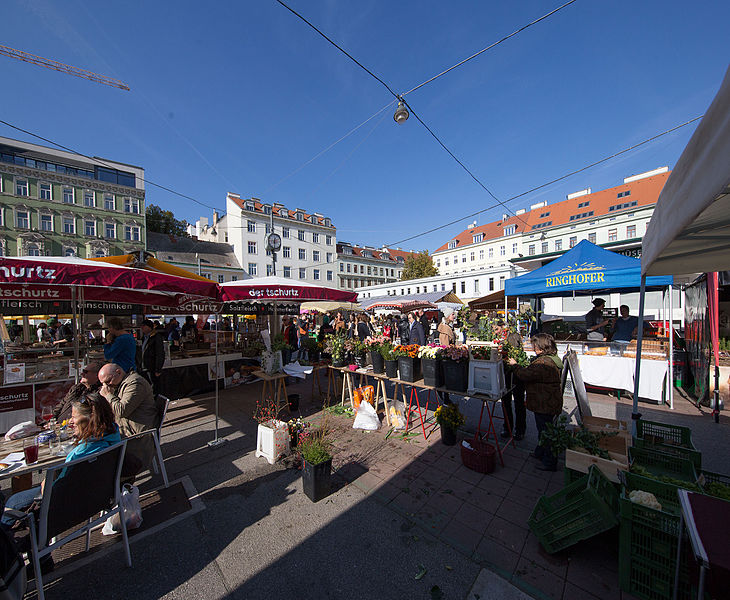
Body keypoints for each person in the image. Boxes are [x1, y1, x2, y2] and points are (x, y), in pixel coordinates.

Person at [3, 392, 121, 527]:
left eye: (74, 417)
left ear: (90, 419)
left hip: (69, 507)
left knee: (12, 502)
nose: (71, 421)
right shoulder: (113, 435)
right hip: (98, 497)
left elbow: (57, 490)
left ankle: (9, 544)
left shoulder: (81, 454)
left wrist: (45, 483)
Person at [509, 333, 563, 471]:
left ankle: (549, 462)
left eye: (534, 344)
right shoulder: (550, 359)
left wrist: (515, 365)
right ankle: (540, 453)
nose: (533, 347)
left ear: (540, 347)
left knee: (545, 431)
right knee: (543, 430)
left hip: (545, 402)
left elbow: (525, 375)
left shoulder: (544, 363)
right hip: (547, 400)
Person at [98, 363, 157, 471]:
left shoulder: (135, 383)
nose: (106, 386)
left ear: (118, 372)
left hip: (134, 435)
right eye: (103, 384)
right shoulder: (120, 384)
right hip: (125, 428)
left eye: (108, 381)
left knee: (98, 450)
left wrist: (108, 395)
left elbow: (121, 411)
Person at [501, 332, 526, 441]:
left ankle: (508, 428)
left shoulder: (507, 352)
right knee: (519, 404)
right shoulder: (521, 353)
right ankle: (519, 431)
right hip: (517, 379)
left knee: (507, 404)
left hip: (509, 378)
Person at [139, 319, 165, 396]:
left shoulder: (156, 337)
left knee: (155, 388)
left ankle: (156, 404)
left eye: (144, 326)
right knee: (146, 387)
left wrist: (158, 369)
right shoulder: (143, 337)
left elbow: (160, 353)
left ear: (149, 327)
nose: (142, 328)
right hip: (144, 366)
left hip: (152, 367)